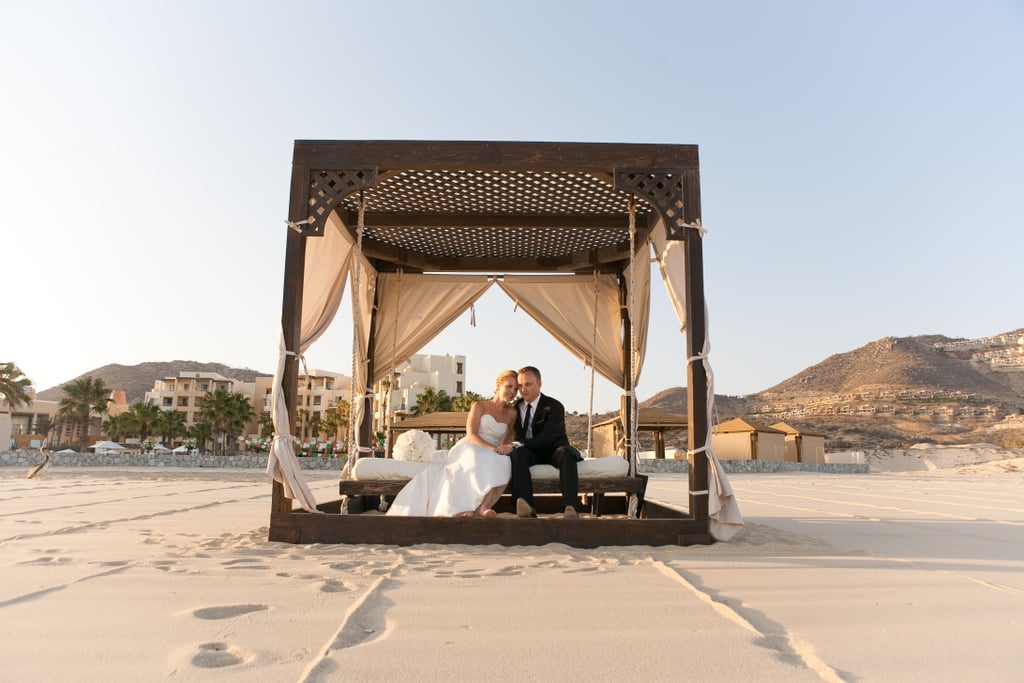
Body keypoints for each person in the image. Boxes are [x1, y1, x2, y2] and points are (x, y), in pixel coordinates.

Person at [388, 370, 519, 517]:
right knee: (476, 457)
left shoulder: (512, 413)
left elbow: (506, 439)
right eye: (509, 386)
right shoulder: (480, 406)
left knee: (503, 461)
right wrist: (492, 449)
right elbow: (471, 435)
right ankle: (466, 505)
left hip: (495, 450)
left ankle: (484, 507)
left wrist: (503, 448)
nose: (512, 391)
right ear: (498, 385)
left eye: (515, 389)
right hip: (474, 444)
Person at [510, 365, 583, 518]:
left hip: (553, 450)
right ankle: (526, 504)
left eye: (528, 384)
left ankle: (570, 507)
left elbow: (547, 438)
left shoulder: (554, 406)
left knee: (566, 452)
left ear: (539, 383)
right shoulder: (516, 407)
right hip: (531, 453)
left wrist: (519, 443)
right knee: (518, 453)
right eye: (521, 385)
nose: (524, 389)